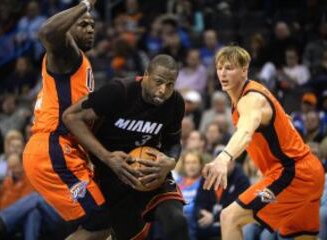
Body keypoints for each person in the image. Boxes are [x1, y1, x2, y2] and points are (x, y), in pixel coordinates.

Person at [202, 45, 325, 240]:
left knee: (229, 218)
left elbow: (245, 132)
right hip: (309, 171)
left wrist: (224, 158)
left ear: (244, 70)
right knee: (303, 237)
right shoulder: (256, 95)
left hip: (293, 173)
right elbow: (285, 122)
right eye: (220, 68)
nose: (223, 73)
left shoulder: (251, 99)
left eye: (230, 68)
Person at [63, 54, 190, 240]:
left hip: (151, 172)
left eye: (170, 84)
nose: (163, 90)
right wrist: (106, 157)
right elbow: (71, 117)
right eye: (158, 82)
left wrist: (170, 162)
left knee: (177, 222)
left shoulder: (175, 103)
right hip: (112, 175)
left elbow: (173, 142)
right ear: (146, 75)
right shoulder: (119, 91)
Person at [22, 1, 110, 239]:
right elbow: (47, 32)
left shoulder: (79, 63)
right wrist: (84, 4)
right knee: (101, 222)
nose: (90, 28)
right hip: (53, 149)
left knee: (100, 220)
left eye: (92, 25)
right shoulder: (67, 54)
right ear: (68, 30)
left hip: (61, 149)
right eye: (83, 24)